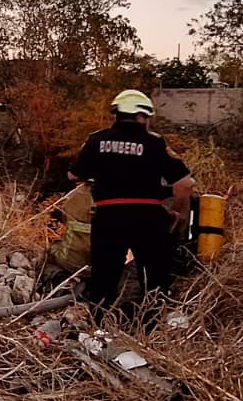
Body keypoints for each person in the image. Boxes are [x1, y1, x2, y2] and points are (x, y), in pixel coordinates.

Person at [68, 89, 194, 324]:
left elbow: (73, 175)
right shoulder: (155, 143)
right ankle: (151, 331)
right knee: (155, 280)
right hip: (148, 219)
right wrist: (177, 212)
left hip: (108, 217)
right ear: (141, 116)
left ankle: (101, 330)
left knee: (104, 279)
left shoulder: (96, 140)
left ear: (117, 114)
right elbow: (185, 184)